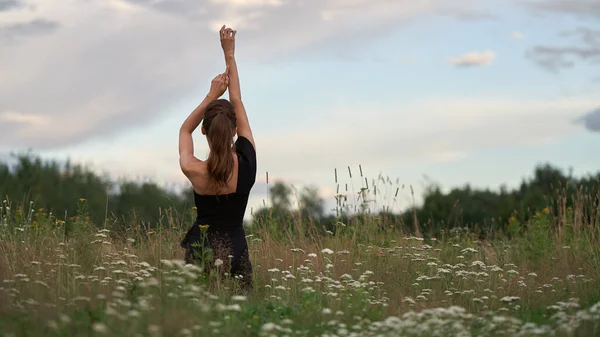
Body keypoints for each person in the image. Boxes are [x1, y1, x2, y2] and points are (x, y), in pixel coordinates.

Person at [178, 25, 256, 291]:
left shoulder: (194, 170)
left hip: (200, 255)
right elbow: (237, 98)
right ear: (235, 130)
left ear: (204, 131)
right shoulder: (247, 164)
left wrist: (211, 96)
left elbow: (184, 129)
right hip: (237, 257)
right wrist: (229, 54)